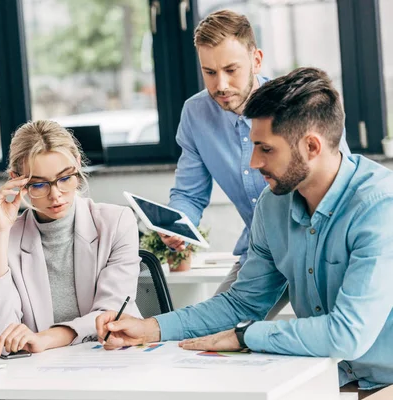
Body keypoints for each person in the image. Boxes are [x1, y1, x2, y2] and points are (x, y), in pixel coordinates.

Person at [96, 67, 393, 398]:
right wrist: (149, 329)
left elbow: (347, 334)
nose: (253, 162)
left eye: (265, 149)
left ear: (311, 146)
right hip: (326, 375)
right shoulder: (273, 204)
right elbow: (243, 303)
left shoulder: (379, 206)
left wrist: (245, 336)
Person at [162, 10, 349, 313]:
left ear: (256, 60)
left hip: (321, 247)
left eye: (231, 69)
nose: (220, 84)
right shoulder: (195, 115)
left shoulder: (298, 103)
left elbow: (340, 181)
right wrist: (178, 225)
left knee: (339, 342)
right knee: (215, 335)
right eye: (209, 72)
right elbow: (189, 194)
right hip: (261, 253)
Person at [0, 120, 141, 358]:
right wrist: (1, 233)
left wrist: (45, 338)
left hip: (111, 357)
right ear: (17, 180)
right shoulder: (4, 237)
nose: (55, 195)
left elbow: (111, 315)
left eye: (65, 178)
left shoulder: (116, 222)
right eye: (39, 184)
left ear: (77, 163)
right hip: (41, 371)